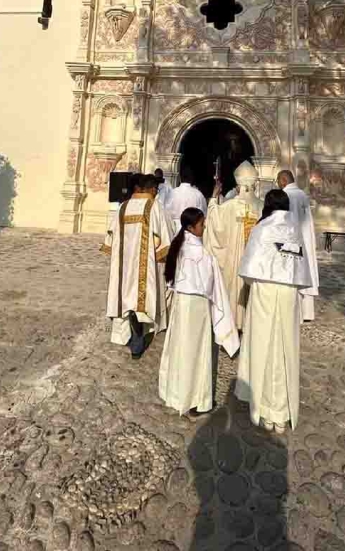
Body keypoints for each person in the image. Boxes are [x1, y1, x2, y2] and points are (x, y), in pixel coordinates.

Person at [235, 189, 317, 433]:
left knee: (262, 344)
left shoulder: (262, 228)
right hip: (289, 292)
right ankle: (280, 412)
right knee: (285, 348)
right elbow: (302, 267)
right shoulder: (295, 229)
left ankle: (260, 408)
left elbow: (248, 270)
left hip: (265, 290)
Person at [159, 207, 239, 414]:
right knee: (195, 354)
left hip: (181, 304)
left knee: (180, 349)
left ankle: (175, 393)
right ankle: (193, 400)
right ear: (190, 227)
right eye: (202, 224)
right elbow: (210, 285)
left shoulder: (179, 247)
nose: (204, 228)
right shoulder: (201, 254)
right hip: (196, 307)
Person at [105, 174, 173, 359]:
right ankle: (138, 339)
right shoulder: (154, 207)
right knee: (143, 302)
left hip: (124, 266)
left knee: (125, 297)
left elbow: (110, 240)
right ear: (151, 189)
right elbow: (165, 241)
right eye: (155, 190)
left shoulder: (123, 207)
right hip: (146, 267)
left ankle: (127, 333)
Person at [204, 161, 263, 330]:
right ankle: (250, 325)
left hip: (233, 262)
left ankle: (232, 324)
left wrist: (214, 197)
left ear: (238, 186)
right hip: (254, 261)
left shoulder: (228, 206)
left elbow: (214, 221)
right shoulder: (261, 206)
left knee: (233, 288)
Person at [277, 169, 319, 321]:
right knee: (305, 271)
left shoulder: (285, 195)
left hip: (292, 240)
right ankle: (307, 313)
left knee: (293, 273)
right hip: (305, 239)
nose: (278, 184)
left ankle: (295, 314)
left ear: (283, 180)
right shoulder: (302, 194)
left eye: (278, 181)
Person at [165, 166, 207, 234]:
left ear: (180, 178)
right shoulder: (198, 194)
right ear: (192, 178)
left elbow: (166, 212)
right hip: (192, 230)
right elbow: (203, 214)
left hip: (174, 230)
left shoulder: (172, 193)